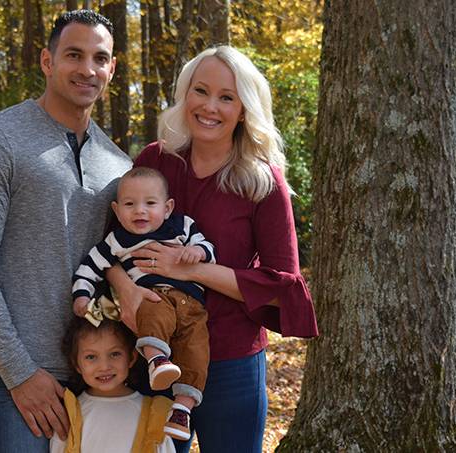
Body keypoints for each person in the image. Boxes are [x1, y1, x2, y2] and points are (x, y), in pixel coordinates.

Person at [107, 45, 319, 452]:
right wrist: (125, 287)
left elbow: (281, 285)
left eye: (226, 97)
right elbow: (108, 245)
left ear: (244, 109)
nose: (210, 106)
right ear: (185, 94)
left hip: (232, 359)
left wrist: (190, 269)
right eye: (200, 91)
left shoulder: (262, 182)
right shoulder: (156, 161)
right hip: (157, 355)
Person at [0, 10, 132, 452]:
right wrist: (19, 372)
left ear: (112, 69)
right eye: (74, 54)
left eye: (99, 58)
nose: (87, 69)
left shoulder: (119, 165)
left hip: (104, 371)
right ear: (47, 62)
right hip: (22, 377)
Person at [71, 167, 215, 440]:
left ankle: (182, 409)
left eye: (150, 203)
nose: (140, 211)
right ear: (116, 209)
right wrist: (81, 296)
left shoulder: (182, 226)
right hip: (152, 296)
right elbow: (89, 267)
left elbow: (207, 247)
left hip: (192, 307)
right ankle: (156, 359)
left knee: (196, 351)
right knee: (153, 314)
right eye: (129, 204)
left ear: (168, 206)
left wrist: (196, 251)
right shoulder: (116, 241)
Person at [50, 317, 176, 453]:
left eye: (115, 354)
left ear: (131, 357)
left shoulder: (154, 414)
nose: (104, 366)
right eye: (91, 357)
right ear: (77, 365)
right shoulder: (69, 414)